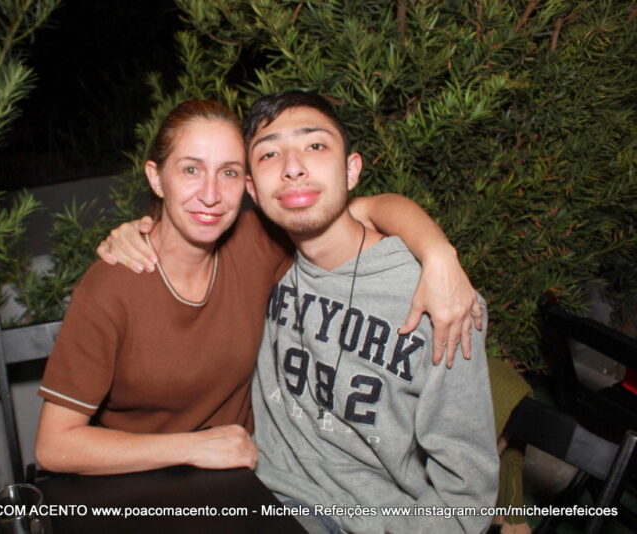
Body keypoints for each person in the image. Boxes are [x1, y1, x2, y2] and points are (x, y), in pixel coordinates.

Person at [36, 98, 480, 476]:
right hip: (136, 484)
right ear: (156, 177)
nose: (211, 194)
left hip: (243, 481)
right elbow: (54, 447)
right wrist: (192, 446)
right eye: (190, 169)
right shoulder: (113, 285)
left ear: (246, 186)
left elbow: (357, 208)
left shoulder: (256, 242)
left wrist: (438, 253)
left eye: (228, 173)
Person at [243, 91, 498, 533]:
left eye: (315, 145)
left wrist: (439, 254)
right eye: (269, 154)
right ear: (252, 189)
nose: (292, 166)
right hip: (257, 488)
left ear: (351, 170)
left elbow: (465, 497)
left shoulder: (441, 300)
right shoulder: (261, 258)